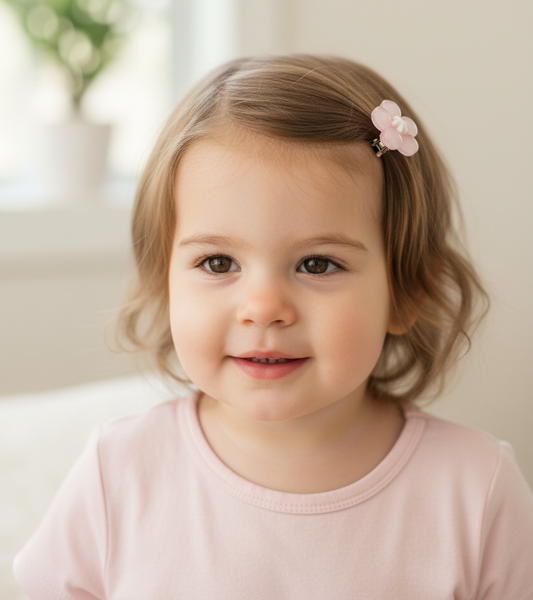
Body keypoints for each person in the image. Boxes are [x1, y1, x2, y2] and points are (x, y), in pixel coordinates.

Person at [14, 55, 533, 598]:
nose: (263, 308)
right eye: (218, 263)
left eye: (317, 264)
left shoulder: (475, 487)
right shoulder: (117, 472)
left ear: (408, 291)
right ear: (164, 281)